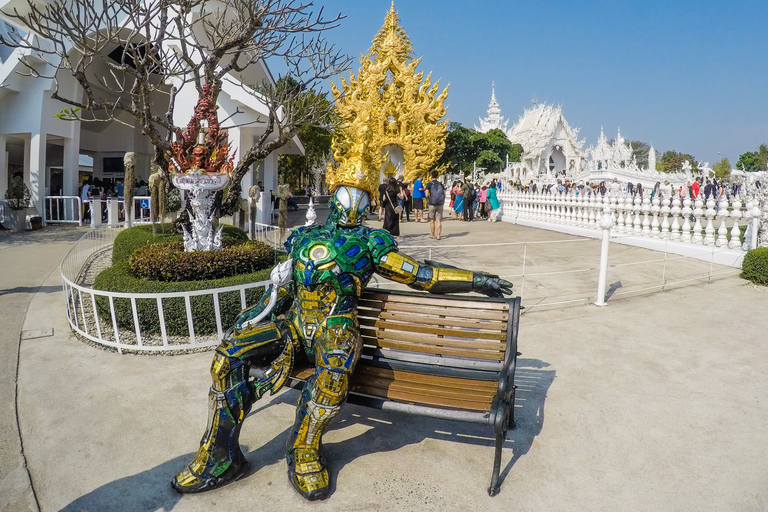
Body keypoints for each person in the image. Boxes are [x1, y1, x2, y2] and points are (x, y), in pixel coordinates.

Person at [171, 183, 513, 500]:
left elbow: (423, 276)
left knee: (333, 373)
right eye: (345, 208)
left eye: (356, 209)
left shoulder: (371, 243)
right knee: (228, 356)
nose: (349, 215)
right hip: (292, 324)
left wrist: (477, 279)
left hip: (336, 326)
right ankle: (220, 455)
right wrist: (256, 313)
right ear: (333, 206)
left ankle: (304, 448)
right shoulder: (304, 236)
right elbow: (285, 286)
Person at [425, 169, 445, 239]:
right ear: (437, 176)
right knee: (438, 220)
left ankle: (432, 234)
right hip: (440, 203)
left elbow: (427, 195)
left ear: (431, 176)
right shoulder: (441, 184)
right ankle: (438, 235)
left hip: (432, 204)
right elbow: (444, 194)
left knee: (432, 220)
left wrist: (428, 200)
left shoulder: (429, 184)